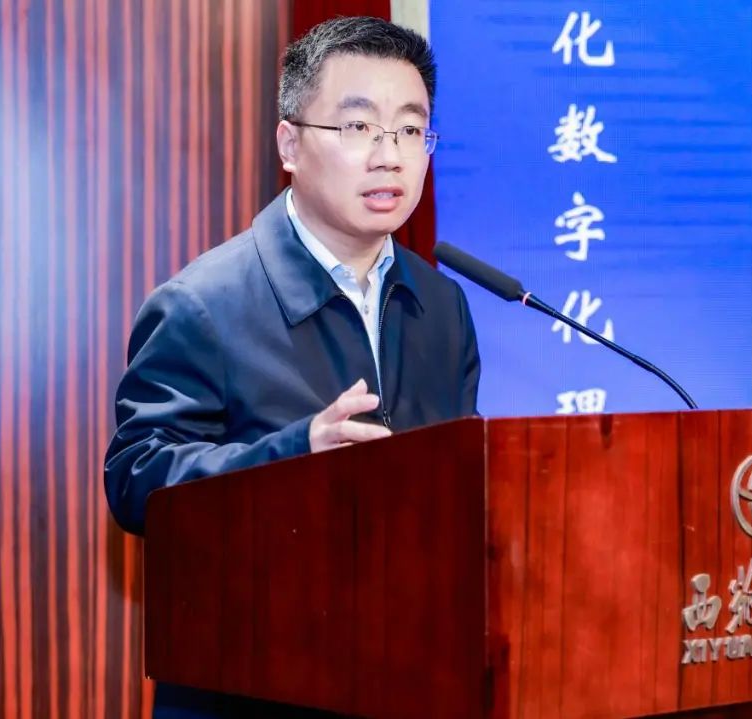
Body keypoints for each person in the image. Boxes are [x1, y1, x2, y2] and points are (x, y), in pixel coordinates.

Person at [103, 16, 480, 718]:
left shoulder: (442, 304)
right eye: (358, 127)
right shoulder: (202, 304)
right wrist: (295, 455)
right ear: (289, 144)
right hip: (251, 686)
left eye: (409, 129)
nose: (390, 156)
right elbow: (136, 483)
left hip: (410, 679)